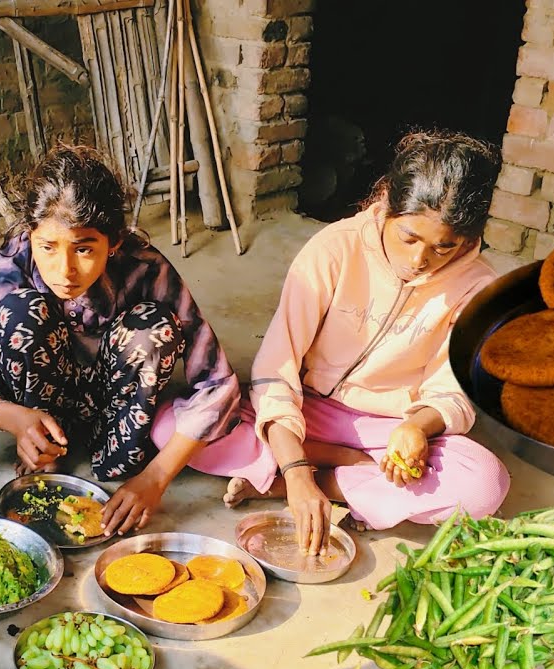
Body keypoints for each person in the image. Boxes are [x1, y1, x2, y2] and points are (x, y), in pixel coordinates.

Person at [155, 130, 510, 553]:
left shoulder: (479, 288)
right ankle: (340, 469)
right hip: (308, 409)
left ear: (468, 239)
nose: (420, 260)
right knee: (169, 430)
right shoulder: (334, 249)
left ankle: (296, 483)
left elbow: (454, 390)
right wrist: (296, 462)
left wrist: (418, 426)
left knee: (484, 484)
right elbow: (275, 371)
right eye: (409, 238)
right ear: (387, 206)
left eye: (444, 247)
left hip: (391, 428)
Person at [0, 145, 240, 536]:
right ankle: (44, 450)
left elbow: (219, 385)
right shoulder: (15, 259)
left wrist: (156, 476)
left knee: (153, 327)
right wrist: (15, 419)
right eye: (47, 247)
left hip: (119, 416)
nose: (64, 270)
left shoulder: (146, 266)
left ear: (113, 242)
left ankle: (116, 456)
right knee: (18, 313)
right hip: (43, 409)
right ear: (30, 235)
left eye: (84, 249)